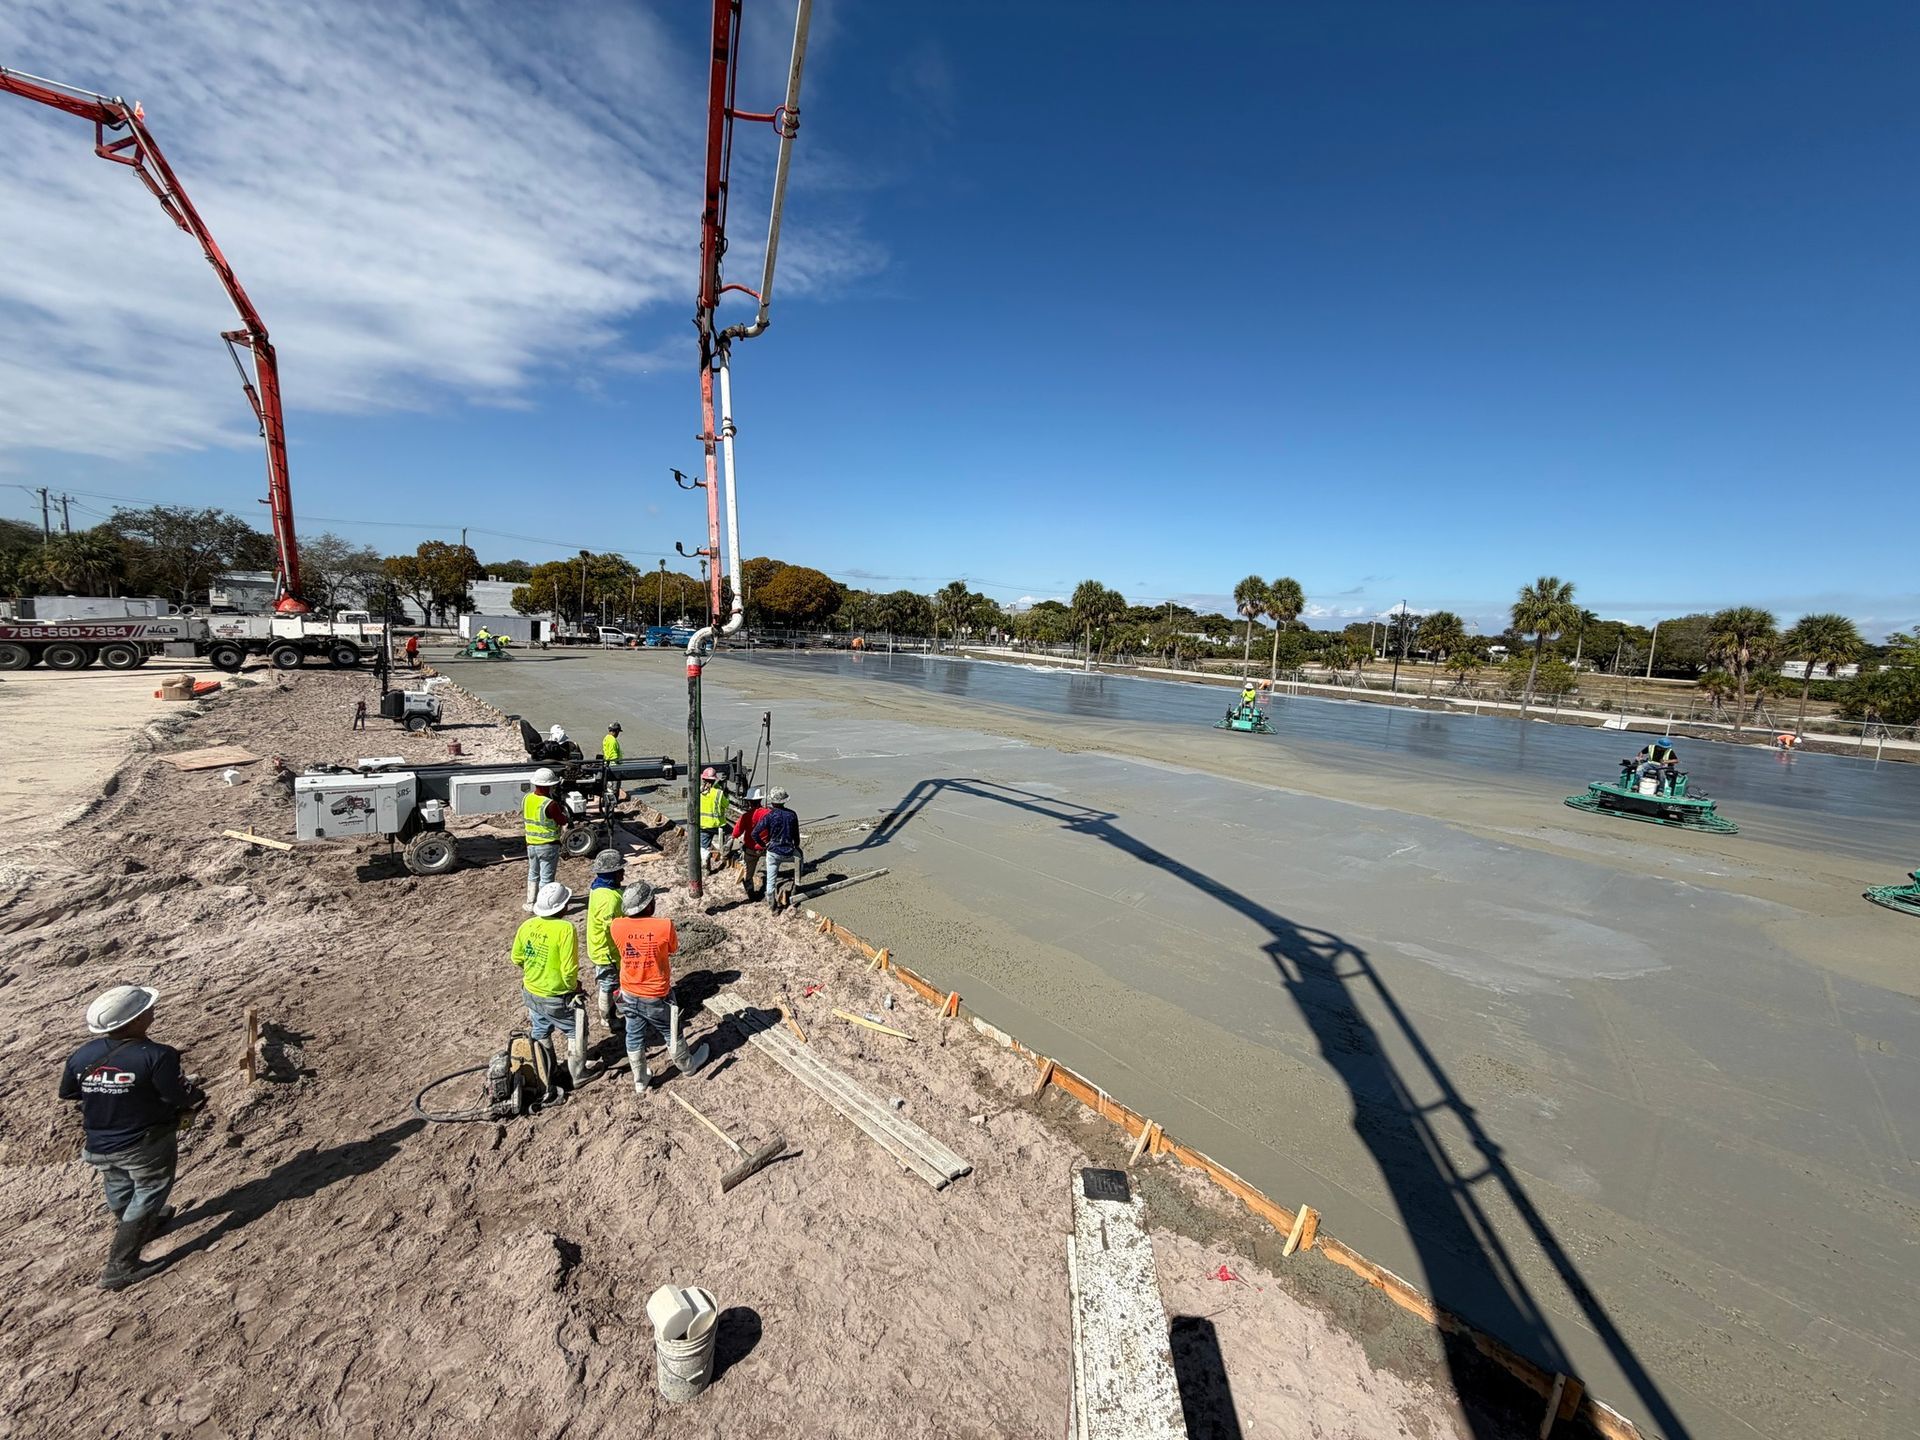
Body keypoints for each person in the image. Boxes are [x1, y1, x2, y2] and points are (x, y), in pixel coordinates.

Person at [59, 985, 206, 1291]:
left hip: (99, 1142)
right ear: (137, 1020)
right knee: (151, 1189)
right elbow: (178, 1094)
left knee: (117, 1182)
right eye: (146, 1009)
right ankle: (121, 1264)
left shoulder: (82, 1055)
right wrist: (196, 1096)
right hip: (143, 1141)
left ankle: (138, 1222)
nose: (152, 1011)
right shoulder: (158, 1055)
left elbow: (70, 1092)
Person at [612, 881, 708, 1094]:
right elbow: (673, 949)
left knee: (633, 1034)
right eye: (652, 900)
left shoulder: (616, 926)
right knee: (671, 1031)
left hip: (628, 992)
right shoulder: (663, 926)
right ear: (647, 906)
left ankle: (640, 1079)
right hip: (655, 995)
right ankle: (687, 1065)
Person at [510, 882, 583, 1053]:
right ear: (563, 907)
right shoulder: (565, 929)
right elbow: (569, 968)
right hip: (555, 995)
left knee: (540, 1030)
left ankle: (547, 1072)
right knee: (575, 1030)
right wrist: (573, 987)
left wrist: (536, 971)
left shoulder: (527, 925)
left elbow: (516, 958)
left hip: (531, 991)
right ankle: (579, 1073)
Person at [585, 849, 627, 1037]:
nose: (624, 873)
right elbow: (613, 928)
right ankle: (607, 1018)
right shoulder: (609, 900)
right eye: (621, 871)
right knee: (608, 984)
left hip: (600, 947)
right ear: (614, 873)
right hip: (607, 952)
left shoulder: (598, 887)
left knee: (610, 983)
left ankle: (610, 1012)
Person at [751, 786, 803, 913]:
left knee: (771, 879)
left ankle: (773, 906)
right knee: (800, 859)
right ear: (784, 801)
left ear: (772, 801)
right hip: (789, 851)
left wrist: (764, 844)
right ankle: (796, 886)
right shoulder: (792, 815)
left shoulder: (769, 816)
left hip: (773, 851)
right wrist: (796, 846)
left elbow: (755, 833)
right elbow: (796, 836)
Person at [522, 767, 567, 911]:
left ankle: (530, 902)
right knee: (546, 878)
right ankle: (543, 906)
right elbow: (561, 821)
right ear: (550, 786)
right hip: (548, 846)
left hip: (531, 844)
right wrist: (566, 816)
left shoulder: (527, 798)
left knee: (533, 874)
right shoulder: (550, 804)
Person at [730, 785, 773, 900]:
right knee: (772, 869)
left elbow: (736, 833)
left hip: (750, 849)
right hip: (766, 848)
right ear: (760, 800)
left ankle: (751, 894)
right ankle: (771, 891)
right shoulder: (768, 813)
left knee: (748, 874)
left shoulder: (746, 817)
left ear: (749, 802)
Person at [698, 767, 730, 868]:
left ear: (703, 779)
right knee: (732, 835)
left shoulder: (699, 791)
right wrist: (726, 794)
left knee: (704, 846)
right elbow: (726, 805)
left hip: (703, 825)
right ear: (714, 779)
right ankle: (725, 854)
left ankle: (705, 863)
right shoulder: (718, 793)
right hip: (718, 824)